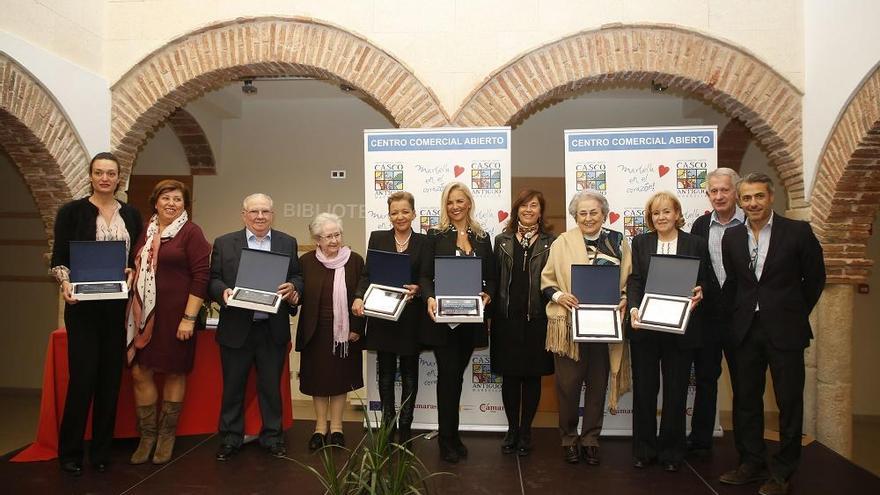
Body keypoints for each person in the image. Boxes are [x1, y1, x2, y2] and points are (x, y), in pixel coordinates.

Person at [718, 173, 825, 495]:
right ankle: (751, 463)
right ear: (740, 201)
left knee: (789, 401)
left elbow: (815, 279)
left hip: (785, 331)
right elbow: (734, 284)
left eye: (758, 197)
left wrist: (790, 314)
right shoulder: (732, 238)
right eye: (747, 198)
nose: (753, 203)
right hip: (745, 332)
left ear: (771, 197)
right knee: (746, 400)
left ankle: (782, 471)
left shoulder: (798, 232)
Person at [50, 152, 143, 475]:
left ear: (120, 179)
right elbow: (60, 258)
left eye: (111, 173)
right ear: (90, 176)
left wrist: (132, 272)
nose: (105, 178)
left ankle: (101, 451)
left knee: (109, 382)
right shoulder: (71, 212)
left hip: (118, 308)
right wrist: (65, 283)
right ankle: (71, 452)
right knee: (82, 380)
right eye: (99, 173)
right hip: (83, 309)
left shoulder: (131, 215)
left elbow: (136, 257)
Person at [209, 193, 303, 461]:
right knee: (233, 388)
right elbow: (213, 279)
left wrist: (294, 287)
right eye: (254, 212)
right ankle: (230, 438)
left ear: (273, 215)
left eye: (265, 212)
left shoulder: (287, 242)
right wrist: (223, 292)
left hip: (271, 329)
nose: (260, 216)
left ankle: (273, 437)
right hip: (237, 328)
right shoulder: (225, 243)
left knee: (271, 388)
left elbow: (297, 275)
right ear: (244, 215)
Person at [540, 189, 631, 465]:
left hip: (605, 327)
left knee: (597, 384)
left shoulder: (618, 241)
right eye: (582, 213)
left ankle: (591, 438)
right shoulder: (562, 242)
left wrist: (625, 298)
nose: (588, 218)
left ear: (604, 213)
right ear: (574, 216)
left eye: (594, 212)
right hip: (569, 325)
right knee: (567, 385)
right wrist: (560, 296)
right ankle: (569, 437)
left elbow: (628, 280)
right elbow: (547, 281)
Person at [127, 179, 211, 465]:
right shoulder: (146, 232)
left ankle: (166, 437)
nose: (171, 204)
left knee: (175, 372)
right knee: (140, 372)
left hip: (178, 317)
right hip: (144, 317)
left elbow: (201, 277)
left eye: (177, 199)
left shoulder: (191, 233)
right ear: (155, 202)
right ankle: (147, 436)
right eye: (166, 198)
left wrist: (189, 318)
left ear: (184, 204)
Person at [627, 191, 711, 472]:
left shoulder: (695, 243)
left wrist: (702, 291)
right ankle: (644, 450)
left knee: (675, 392)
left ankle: (672, 453)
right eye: (655, 213)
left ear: (677, 214)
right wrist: (634, 309)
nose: (661, 217)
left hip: (681, 330)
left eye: (666, 211)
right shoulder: (640, 242)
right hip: (645, 330)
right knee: (644, 391)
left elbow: (706, 280)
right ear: (650, 218)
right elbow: (635, 279)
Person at [420, 182, 495, 464]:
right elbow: (425, 276)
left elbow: (492, 275)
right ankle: (446, 440)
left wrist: (488, 293)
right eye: (450, 202)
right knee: (448, 377)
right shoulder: (435, 235)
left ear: (469, 203)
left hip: (471, 321)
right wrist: (428, 298)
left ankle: (454, 435)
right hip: (444, 321)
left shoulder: (482, 236)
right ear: (445, 205)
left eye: (460, 201)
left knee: (456, 377)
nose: (455, 207)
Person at [352, 191, 427, 444]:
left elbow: (427, 277)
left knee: (409, 373)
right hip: (382, 314)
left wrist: (418, 289)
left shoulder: (424, 242)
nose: (400, 217)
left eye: (405, 211)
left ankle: (405, 426)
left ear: (414, 213)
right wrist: (359, 296)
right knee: (384, 373)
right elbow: (367, 274)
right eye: (394, 212)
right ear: (389, 214)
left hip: (410, 317)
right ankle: (387, 422)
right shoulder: (378, 238)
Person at [491, 189, 555, 456]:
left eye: (534, 206)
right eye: (524, 205)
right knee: (510, 377)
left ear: (541, 211)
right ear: (516, 209)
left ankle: (526, 430)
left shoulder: (552, 242)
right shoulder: (502, 241)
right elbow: (494, 280)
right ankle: (512, 430)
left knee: (532, 378)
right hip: (506, 319)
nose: (529, 210)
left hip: (537, 319)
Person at [688, 167, 745, 457]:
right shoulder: (699, 226)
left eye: (725, 190)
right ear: (708, 194)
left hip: (743, 320)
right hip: (708, 318)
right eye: (714, 191)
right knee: (707, 380)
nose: (719, 196)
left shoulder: (750, 224)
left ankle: (748, 448)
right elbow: (695, 269)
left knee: (745, 384)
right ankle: (700, 442)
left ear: (736, 191)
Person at [296, 212, 365, 450]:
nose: (334, 240)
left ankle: (337, 428)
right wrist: (293, 297)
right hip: (316, 332)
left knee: (339, 381)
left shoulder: (355, 260)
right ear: (317, 239)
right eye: (328, 236)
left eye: (337, 235)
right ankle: (319, 427)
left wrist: (356, 328)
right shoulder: (305, 262)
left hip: (345, 334)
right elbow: (299, 295)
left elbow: (361, 295)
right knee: (318, 381)